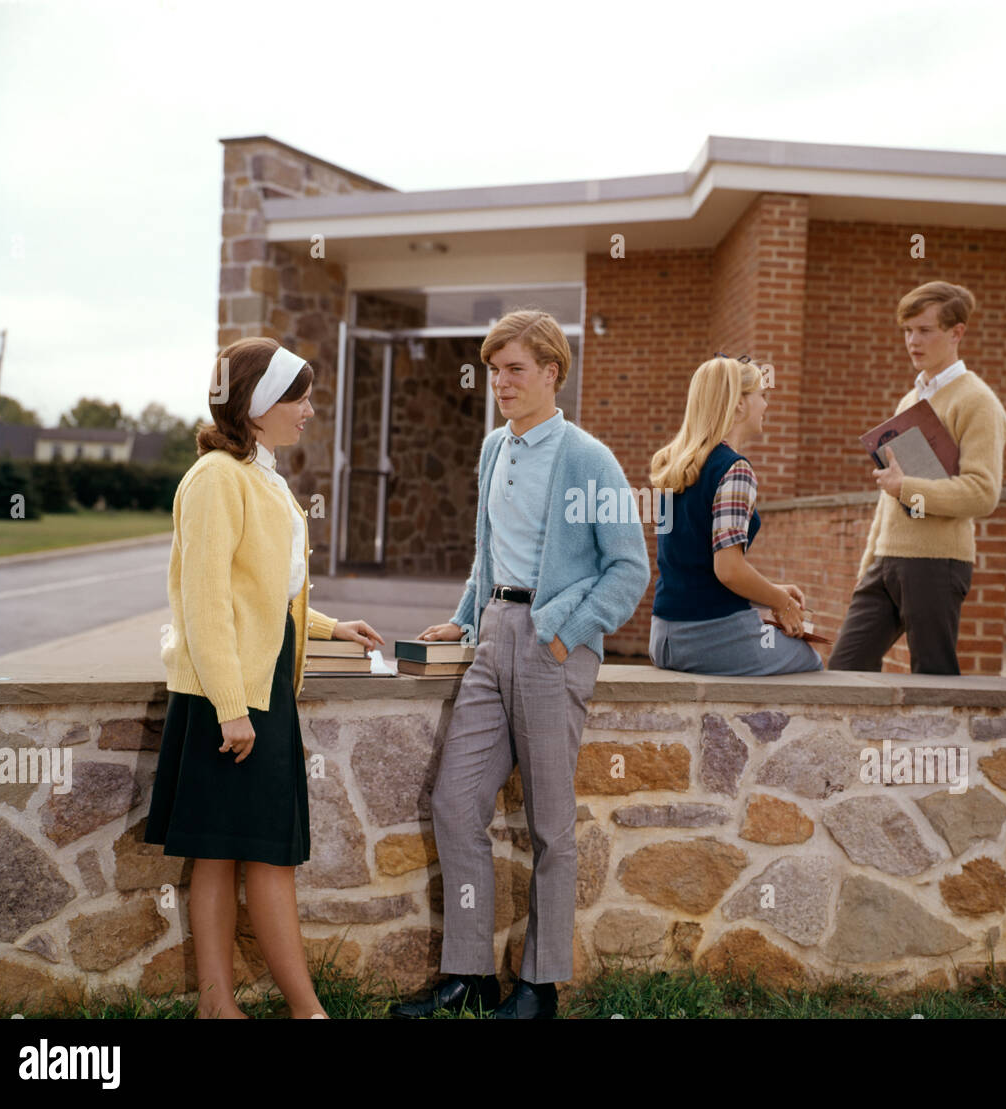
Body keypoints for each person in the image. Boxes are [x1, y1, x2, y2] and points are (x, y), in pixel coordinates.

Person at [389, 309, 649, 1020]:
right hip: (491, 638)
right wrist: (466, 616)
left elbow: (629, 569)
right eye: (495, 369)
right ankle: (469, 974)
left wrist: (565, 636)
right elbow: (485, 549)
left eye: (515, 369)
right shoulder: (492, 449)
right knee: (454, 801)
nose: (499, 382)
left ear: (552, 373)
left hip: (551, 643)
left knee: (550, 825)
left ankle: (541, 986)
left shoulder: (588, 458)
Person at [147, 337, 384, 1019]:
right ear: (256, 405)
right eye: (297, 397)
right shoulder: (217, 478)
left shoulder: (259, 475)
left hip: (259, 688)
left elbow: (262, 596)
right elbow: (206, 600)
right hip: (230, 697)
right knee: (255, 857)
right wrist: (230, 706)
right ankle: (302, 1011)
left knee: (230, 853)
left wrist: (331, 626)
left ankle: (221, 1008)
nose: (309, 409)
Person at [828, 281, 1006, 675]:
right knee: (845, 669)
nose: (913, 341)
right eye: (907, 330)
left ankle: (942, 741)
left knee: (934, 680)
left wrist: (906, 488)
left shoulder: (978, 402)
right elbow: (888, 493)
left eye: (924, 330)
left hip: (936, 562)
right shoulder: (911, 400)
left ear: (956, 332)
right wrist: (869, 563)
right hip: (887, 561)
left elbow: (983, 493)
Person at [647, 355, 821, 675]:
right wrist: (781, 604)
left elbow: (695, 566)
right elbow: (728, 569)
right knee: (809, 659)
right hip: (709, 639)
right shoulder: (734, 468)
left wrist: (772, 590)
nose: (766, 406)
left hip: (663, 638)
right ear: (739, 405)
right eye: (762, 396)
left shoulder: (677, 465)